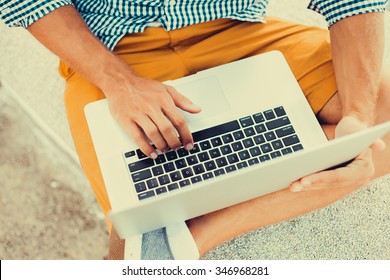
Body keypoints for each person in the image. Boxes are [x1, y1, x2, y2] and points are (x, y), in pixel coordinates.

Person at [1, 0, 389, 259]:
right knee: (132, 224)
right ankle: (160, 239)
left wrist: (357, 119)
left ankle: (198, 234)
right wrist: (118, 82)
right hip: (114, 49)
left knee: (380, 115)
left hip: (239, 27)